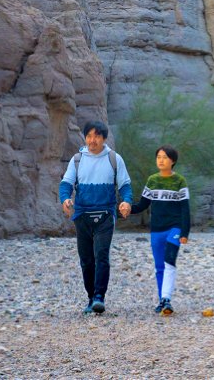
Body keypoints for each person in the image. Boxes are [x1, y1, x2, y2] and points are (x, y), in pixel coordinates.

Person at [59, 121, 132, 314]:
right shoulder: (77, 160)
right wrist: (65, 199)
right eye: (89, 136)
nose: (93, 141)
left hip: (106, 215)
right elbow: (66, 184)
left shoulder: (114, 159)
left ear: (104, 138)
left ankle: (100, 297)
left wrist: (126, 201)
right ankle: (91, 298)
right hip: (82, 216)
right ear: (85, 137)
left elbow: (125, 185)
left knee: (101, 256)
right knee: (86, 259)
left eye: (97, 136)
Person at [128, 145, 190, 315]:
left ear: (173, 161)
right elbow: (142, 205)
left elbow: (185, 209)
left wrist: (184, 233)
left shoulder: (179, 181)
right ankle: (162, 300)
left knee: (170, 260)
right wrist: (126, 209)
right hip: (156, 230)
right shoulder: (152, 181)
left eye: (164, 157)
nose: (161, 160)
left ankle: (167, 299)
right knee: (159, 266)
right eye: (158, 157)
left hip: (175, 227)